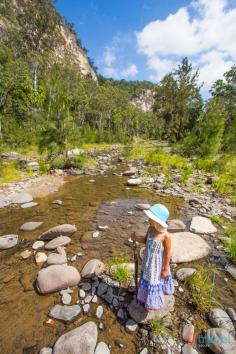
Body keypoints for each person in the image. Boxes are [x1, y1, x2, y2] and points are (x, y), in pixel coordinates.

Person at [131, 203, 174, 312]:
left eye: (150, 218)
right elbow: (145, 240)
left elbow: (168, 254)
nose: (148, 219)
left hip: (157, 264)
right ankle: (144, 297)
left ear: (157, 220)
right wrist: (136, 238)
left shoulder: (165, 236)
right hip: (147, 261)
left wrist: (165, 269)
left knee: (154, 279)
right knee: (147, 277)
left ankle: (153, 303)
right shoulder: (150, 229)